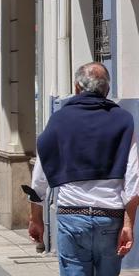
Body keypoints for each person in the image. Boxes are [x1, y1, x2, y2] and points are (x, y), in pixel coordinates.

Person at [28, 62, 138, 276]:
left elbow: (40, 176)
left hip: (72, 216)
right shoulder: (123, 120)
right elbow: (134, 175)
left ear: (76, 87)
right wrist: (128, 223)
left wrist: (36, 218)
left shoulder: (60, 120)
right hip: (110, 216)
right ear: (107, 89)